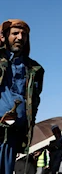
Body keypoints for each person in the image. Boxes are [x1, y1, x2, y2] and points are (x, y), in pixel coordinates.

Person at [0, 19, 44, 174]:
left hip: (12, 134)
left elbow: (34, 102)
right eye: (15, 33)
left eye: (23, 34)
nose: (20, 37)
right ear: (4, 36)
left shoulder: (34, 69)